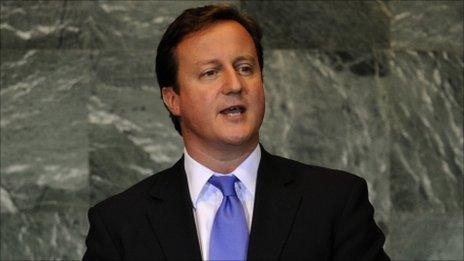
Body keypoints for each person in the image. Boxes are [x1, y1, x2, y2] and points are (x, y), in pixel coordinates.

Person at [83, 4, 389, 261]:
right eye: (210, 73)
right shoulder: (119, 224)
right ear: (173, 99)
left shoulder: (335, 202)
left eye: (245, 68)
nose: (234, 85)